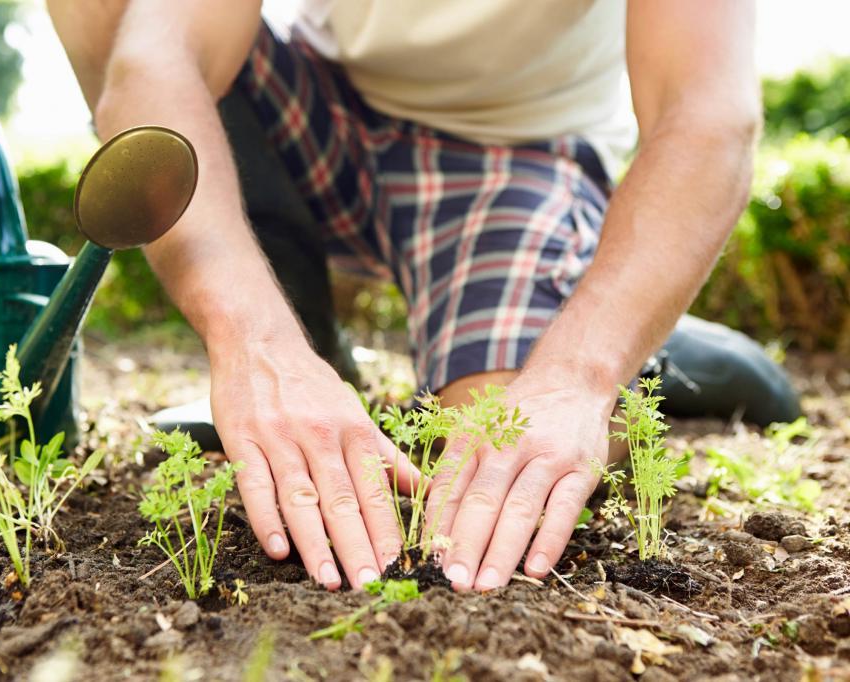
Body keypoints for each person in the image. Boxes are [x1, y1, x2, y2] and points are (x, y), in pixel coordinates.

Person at [49, 0, 797, 592]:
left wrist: (579, 375)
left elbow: (707, 113)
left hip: (509, 153)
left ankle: (619, 327)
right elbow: (155, 60)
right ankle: (304, 340)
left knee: (493, 450)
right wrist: (253, 341)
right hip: (318, 112)